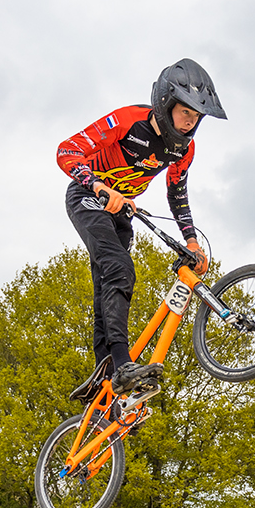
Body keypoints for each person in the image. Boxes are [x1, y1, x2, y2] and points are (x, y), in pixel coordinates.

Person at [57, 59, 226, 394]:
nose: (190, 122)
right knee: (119, 270)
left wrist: (191, 241)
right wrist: (99, 186)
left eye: (196, 117)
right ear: (166, 104)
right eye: (185, 112)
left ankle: (108, 382)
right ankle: (122, 366)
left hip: (123, 212)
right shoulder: (127, 121)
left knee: (107, 286)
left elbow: (177, 192)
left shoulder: (184, 150)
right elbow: (67, 150)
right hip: (88, 198)